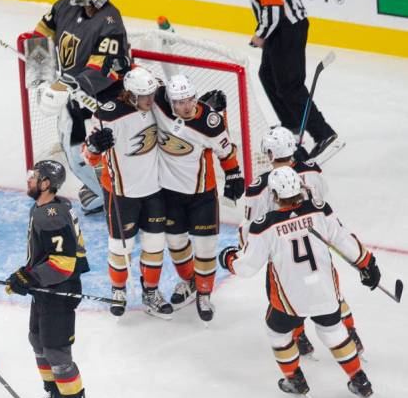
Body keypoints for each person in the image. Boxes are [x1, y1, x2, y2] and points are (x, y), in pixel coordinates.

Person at [219, 166, 379, 398]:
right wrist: (368, 264)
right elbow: (345, 241)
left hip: (291, 299)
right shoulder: (319, 210)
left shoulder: (265, 224)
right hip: (325, 291)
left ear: (273, 195)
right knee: (333, 331)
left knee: (276, 332)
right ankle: (360, 379)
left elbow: (246, 267)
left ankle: (295, 379)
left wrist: (229, 258)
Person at [243, 126, 365, 358]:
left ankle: (298, 337)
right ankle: (351, 333)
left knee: (286, 293)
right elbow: (322, 197)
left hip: (280, 248)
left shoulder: (259, 186)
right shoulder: (312, 169)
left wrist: (245, 249)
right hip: (315, 241)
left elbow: (249, 227)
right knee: (331, 292)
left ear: (269, 153)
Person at [235, 0, 338, 161]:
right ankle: (291, 125)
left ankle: (323, 133)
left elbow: (273, 7)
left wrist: (261, 34)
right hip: (281, 28)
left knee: (289, 85)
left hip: (286, 28)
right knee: (268, 75)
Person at [6, 159, 92, 398]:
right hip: (46, 288)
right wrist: (26, 278)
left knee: (56, 350)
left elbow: (63, 263)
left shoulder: (50, 215)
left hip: (59, 290)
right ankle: (56, 394)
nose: (29, 179)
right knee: (38, 340)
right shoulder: (46, 207)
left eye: (34, 176)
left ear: (46, 184)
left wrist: (28, 278)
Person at [33, 0, 129, 215]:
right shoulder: (64, 5)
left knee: (96, 147)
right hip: (71, 92)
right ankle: (100, 189)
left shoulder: (111, 21)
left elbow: (105, 66)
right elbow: (40, 36)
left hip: (101, 96)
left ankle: (111, 190)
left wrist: (71, 85)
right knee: (72, 147)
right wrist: (43, 77)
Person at [153, 73, 245, 322]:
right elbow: (142, 79)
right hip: (170, 194)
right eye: (180, 102)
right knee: (176, 244)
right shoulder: (158, 102)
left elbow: (226, 152)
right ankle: (190, 282)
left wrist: (234, 175)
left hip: (202, 195)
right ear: (170, 102)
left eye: (190, 100)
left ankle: (205, 294)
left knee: (205, 247)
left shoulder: (210, 122)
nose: (186, 106)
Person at [83, 66, 172, 319]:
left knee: (155, 245)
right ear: (129, 95)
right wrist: (94, 146)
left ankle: (151, 291)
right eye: (143, 96)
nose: (149, 101)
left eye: (151, 94)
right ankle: (118, 289)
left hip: (154, 190)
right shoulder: (107, 116)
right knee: (120, 248)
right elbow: (88, 157)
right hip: (121, 193)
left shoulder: (157, 106)